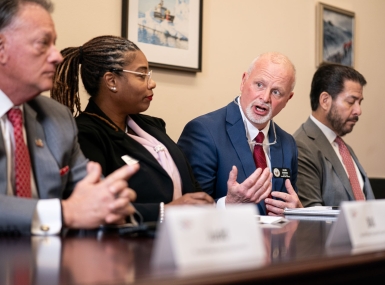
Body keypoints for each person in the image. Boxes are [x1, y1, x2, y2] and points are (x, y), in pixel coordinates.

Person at [0, 0, 138, 236]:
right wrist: (65, 212)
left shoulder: (56, 117)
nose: (57, 57)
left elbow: (94, 196)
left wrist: (112, 204)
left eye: (54, 44)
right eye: (43, 43)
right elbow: (71, 211)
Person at [50, 35, 214, 222]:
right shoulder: (85, 135)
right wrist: (164, 212)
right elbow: (96, 206)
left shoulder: (154, 125)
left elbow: (191, 186)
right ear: (111, 81)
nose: (152, 83)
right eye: (142, 75)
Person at [178, 52, 302, 215]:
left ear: (288, 99)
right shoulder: (203, 131)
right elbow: (187, 211)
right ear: (244, 81)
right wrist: (227, 204)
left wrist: (298, 212)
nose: (265, 98)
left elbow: (290, 203)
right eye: (259, 85)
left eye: (276, 92)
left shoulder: (288, 143)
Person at [293, 63, 375, 206]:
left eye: (360, 102)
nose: (358, 110)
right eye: (351, 101)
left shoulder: (343, 147)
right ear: (325, 101)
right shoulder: (301, 147)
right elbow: (311, 217)